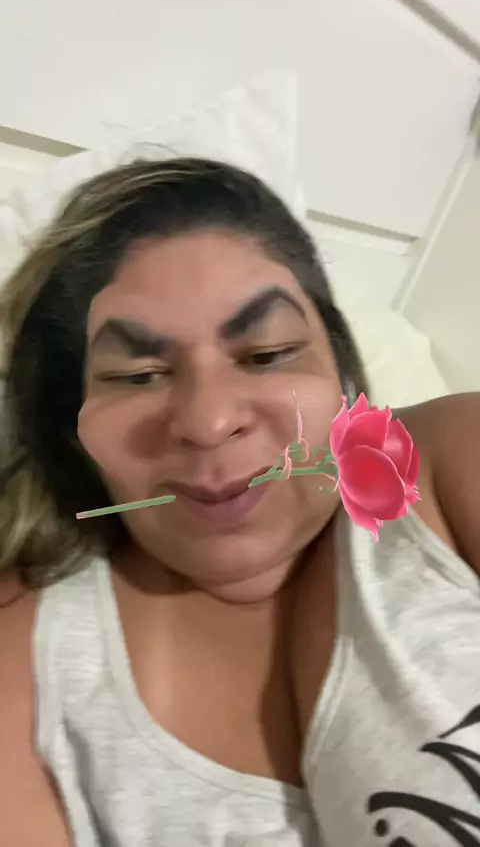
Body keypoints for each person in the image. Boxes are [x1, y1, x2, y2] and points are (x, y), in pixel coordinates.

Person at [0, 157, 478, 847]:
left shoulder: (448, 462)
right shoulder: (32, 662)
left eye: (268, 353)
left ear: (340, 369)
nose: (210, 420)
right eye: (139, 375)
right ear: (72, 429)